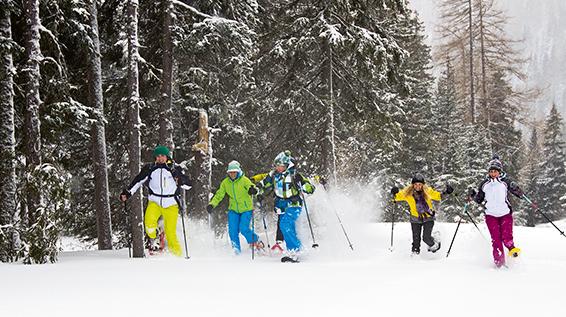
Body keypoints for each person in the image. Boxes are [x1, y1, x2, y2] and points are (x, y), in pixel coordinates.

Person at [120, 145, 191, 256]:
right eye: (157, 156)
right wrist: (127, 193)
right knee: (149, 225)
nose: (160, 158)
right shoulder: (150, 168)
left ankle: (179, 258)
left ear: (167, 156)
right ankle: (156, 238)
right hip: (155, 201)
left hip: (171, 203)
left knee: (171, 234)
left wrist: (181, 180)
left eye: (162, 156)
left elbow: (188, 185)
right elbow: (138, 181)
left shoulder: (174, 168)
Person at [256, 151, 315, 263]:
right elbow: (264, 184)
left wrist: (303, 184)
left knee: (285, 224)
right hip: (280, 205)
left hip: (294, 204)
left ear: (287, 165)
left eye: (281, 166)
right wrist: (257, 190)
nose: (279, 168)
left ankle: (295, 250)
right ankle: (294, 250)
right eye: (277, 166)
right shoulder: (273, 175)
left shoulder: (294, 174)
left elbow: (310, 188)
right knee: (286, 227)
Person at [468, 156, 523, 268]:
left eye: (495, 171)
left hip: (505, 214)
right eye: (491, 171)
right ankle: (500, 262)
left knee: (506, 236)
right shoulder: (484, 184)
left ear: (499, 172)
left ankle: (512, 249)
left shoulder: (506, 182)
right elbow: (479, 200)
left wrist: (517, 189)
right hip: (491, 215)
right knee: (496, 239)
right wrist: (473, 195)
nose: (493, 174)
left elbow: (519, 194)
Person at [207, 161, 264, 255]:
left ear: (238, 171)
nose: (232, 174)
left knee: (243, 228)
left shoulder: (244, 180)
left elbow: (253, 188)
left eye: (234, 172)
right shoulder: (225, 182)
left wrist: (253, 190)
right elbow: (219, 195)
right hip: (233, 209)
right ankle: (236, 250)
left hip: (246, 209)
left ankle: (256, 240)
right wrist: (212, 204)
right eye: (230, 172)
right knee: (232, 230)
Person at [391, 174, 452, 255]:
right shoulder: (407, 193)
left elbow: (438, 196)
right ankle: (415, 256)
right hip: (415, 219)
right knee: (416, 241)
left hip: (428, 217)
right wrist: (394, 193)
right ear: (412, 185)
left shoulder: (427, 191)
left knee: (426, 238)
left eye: (420, 184)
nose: (417, 186)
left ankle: (435, 244)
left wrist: (447, 192)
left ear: (423, 185)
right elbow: (396, 198)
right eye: (415, 184)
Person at [251, 172, 285, 253]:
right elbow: (264, 178)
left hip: (284, 198)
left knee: (282, 220)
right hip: (275, 197)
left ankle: (280, 241)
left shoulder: (285, 173)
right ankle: (279, 241)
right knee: (280, 219)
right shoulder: (273, 173)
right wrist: (254, 179)